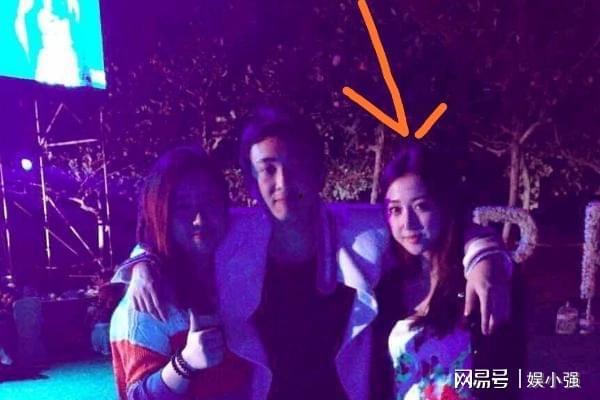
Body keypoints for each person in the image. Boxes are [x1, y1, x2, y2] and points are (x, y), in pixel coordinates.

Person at [116, 107, 512, 400]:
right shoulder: (234, 236)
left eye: (296, 164)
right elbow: (183, 225)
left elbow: (428, 220)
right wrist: (141, 260)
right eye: (267, 169)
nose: (283, 182)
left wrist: (483, 254)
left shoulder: (361, 232)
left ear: (319, 171)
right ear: (251, 182)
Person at [109, 146, 249, 399]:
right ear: (160, 213)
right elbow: (136, 396)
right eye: (182, 207)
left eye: (210, 202)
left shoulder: (241, 271)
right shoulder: (146, 303)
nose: (199, 219)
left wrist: (140, 259)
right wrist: (185, 363)